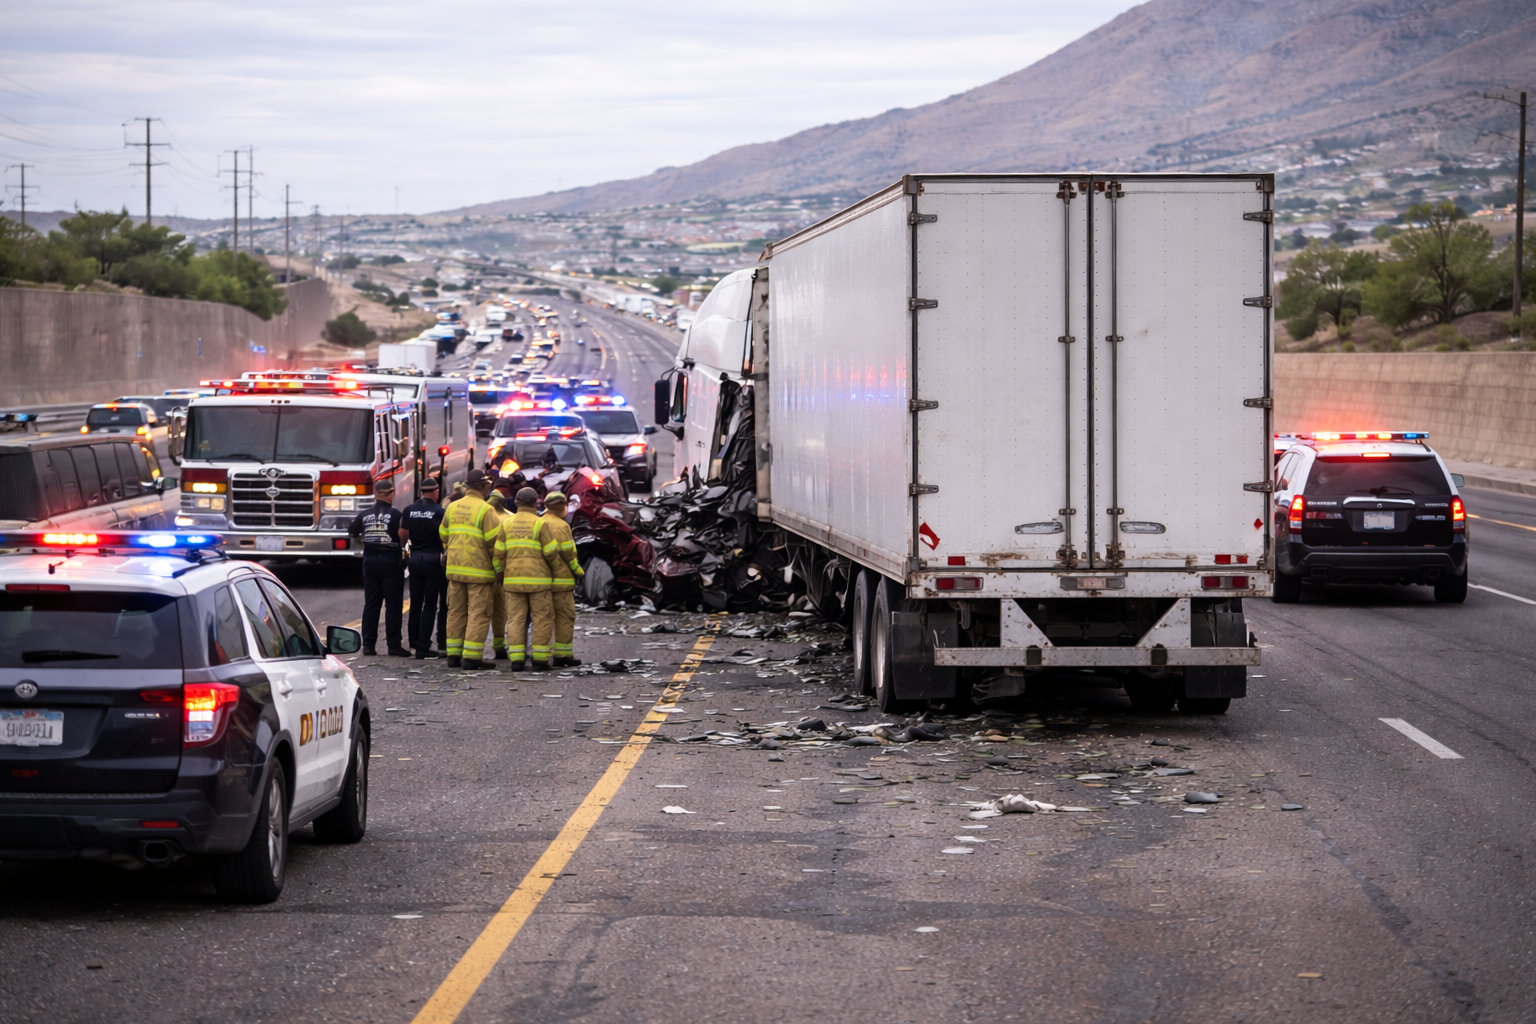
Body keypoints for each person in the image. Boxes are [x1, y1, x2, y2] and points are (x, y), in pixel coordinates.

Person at [494, 486, 561, 671]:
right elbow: (551, 552)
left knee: (515, 619)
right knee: (541, 618)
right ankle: (540, 659)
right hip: (539, 581)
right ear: (535, 503)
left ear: (516, 503)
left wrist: (500, 571)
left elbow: (498, 552)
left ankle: (516, 659)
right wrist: (555, 569)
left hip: (513, 581)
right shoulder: (540, 524)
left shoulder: (506, 524)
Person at [439, 469, 501, 669]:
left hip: (455, 571)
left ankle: (453, 655)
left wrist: (450, 551)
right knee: (479, 613)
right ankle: (472, 657)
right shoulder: (486, 510)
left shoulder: (453, 507)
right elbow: (495, 544)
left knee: (455, 612)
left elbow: (443, 534)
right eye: (487, 486)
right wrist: (499, 568)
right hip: (479, 573)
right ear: (483, 487)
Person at [349, 478, 408, 656]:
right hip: (390, 561)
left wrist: (365, 537)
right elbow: (403, 535)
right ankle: (394, 645)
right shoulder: (397, 515)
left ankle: (368, 645)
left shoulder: (364, 514)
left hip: (370, 561)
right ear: (391, 494)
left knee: (372, 604)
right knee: (393, 605)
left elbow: (352, 530)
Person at [400, 476, 448, 659]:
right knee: (430, 604)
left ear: (421, 492)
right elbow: (445, 536)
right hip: (433, 560)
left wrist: (405, 549)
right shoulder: (439, 512)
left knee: (416, 602)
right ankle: (423, 646)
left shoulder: (409, 510)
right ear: (436, 492)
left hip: (415, 559)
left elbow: (403, 533)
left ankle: (413, 641)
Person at [541, 491, 584, 667]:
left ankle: (540, 654)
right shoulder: (562, 526)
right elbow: (569, 552)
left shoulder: (539, 522)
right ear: (562, 506)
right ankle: (562, 655)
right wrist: (577, 570)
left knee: (543, 618)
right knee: (565, 617)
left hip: (542, 581)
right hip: (562, 580)